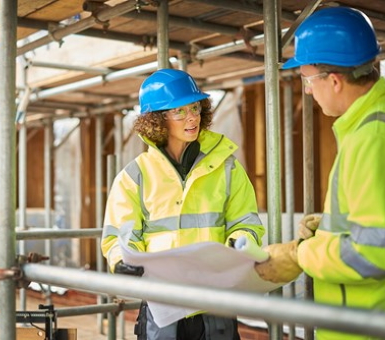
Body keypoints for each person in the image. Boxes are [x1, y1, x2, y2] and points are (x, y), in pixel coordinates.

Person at [254, 6, 385, 340]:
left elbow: (373, 254)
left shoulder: (373, 138)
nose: (307, 90)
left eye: (307, 79)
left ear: (334, 81)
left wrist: (298, 254)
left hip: (367, 329)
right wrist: (332, 229)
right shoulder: (380, 124)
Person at [101, 68, 265, 340]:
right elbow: (119, 236)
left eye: (195, 108)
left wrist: (238, 245)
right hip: (162, 303)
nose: (191, 118)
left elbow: (246, 223)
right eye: (179, 111)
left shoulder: (228, 168)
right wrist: (122, 261)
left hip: (215, 299)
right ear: (157, 120)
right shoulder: (135, 175)